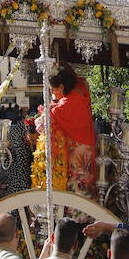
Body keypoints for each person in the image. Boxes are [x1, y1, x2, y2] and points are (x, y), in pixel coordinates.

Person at [33, 66, 97, 198]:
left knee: (76, 188)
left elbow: (42, 124)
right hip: (88, 148)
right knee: (86, 186)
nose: (52, 93)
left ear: (61, 87)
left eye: (53, 89)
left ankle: (76, 218)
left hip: (76, 154)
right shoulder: (81, 91)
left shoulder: (64, 106)